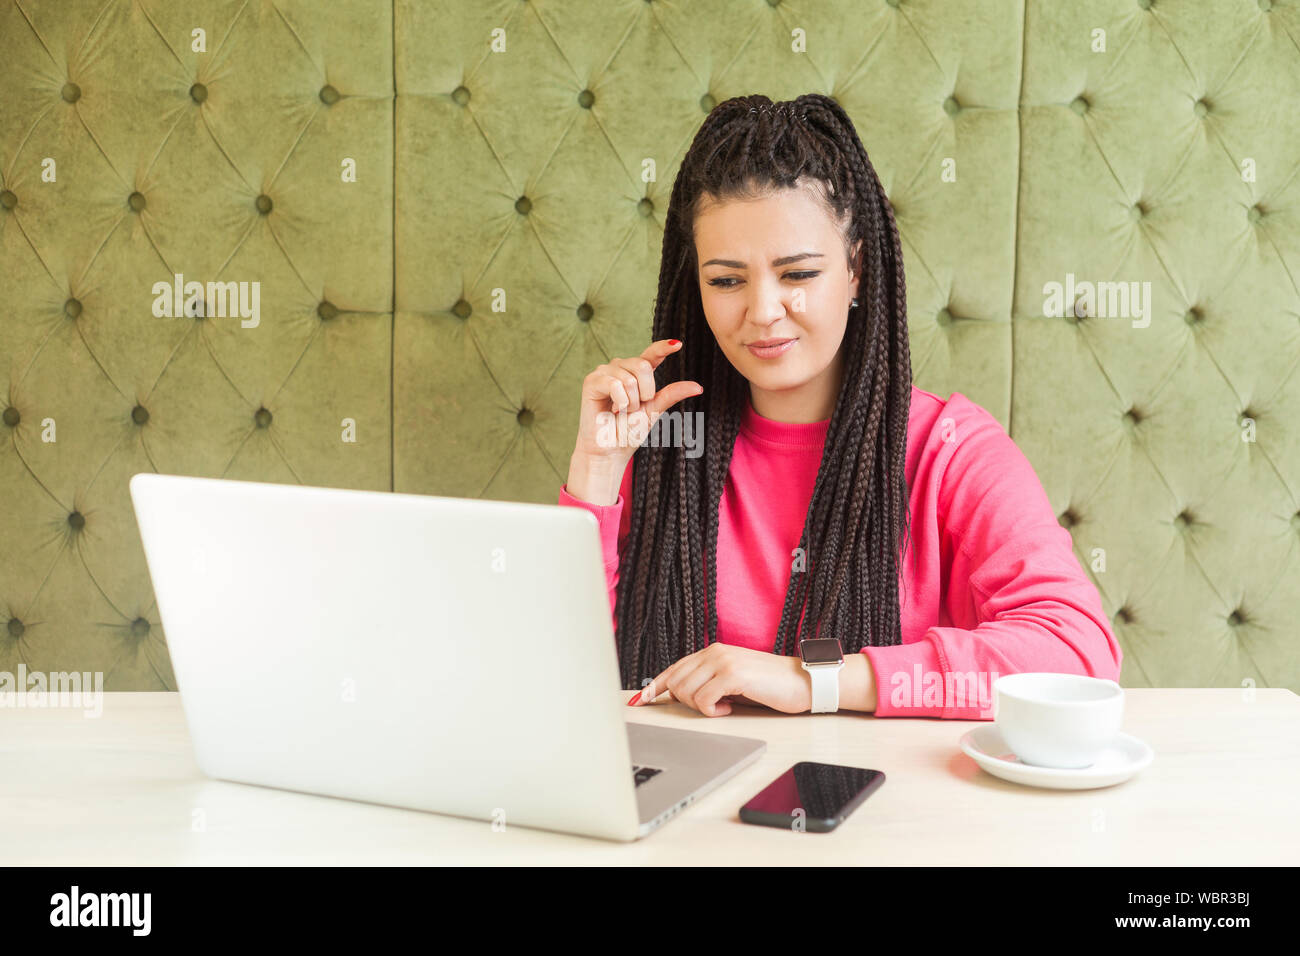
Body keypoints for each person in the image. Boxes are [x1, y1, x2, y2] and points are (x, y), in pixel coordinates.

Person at [558, 93, 1120, 719]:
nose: (763, 311)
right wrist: (597, 474)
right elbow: (552, 672)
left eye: (797, 274)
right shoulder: (664, 442)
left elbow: (1079, 651)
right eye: (726, 280)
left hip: (884, 803)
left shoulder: (948, 448)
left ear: (856, 268)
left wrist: (814, 681)